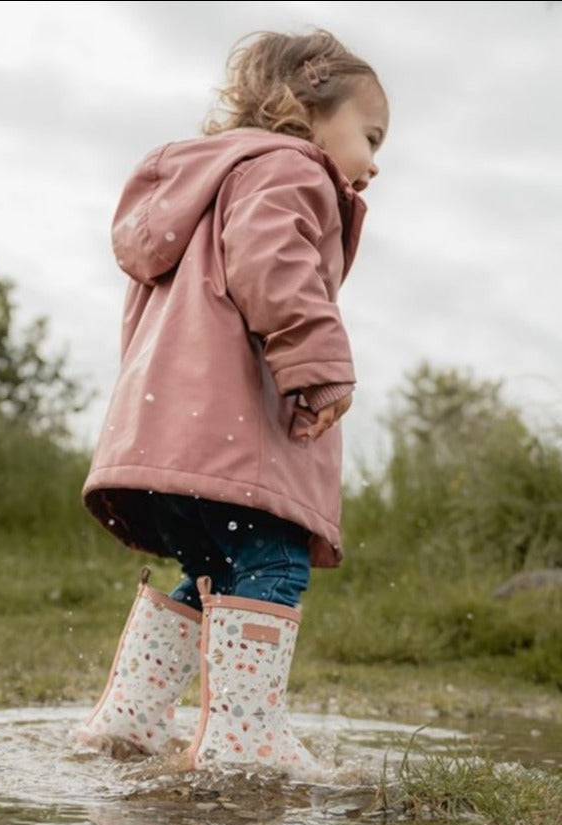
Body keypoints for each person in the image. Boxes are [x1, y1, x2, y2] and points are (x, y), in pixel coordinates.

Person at [76, 28, 388, 777]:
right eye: (369, 135)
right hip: (235, 441)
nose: (373, 162)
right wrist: (318, 364)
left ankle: (128, 721)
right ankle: (243, 745)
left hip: (168, 442)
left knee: (215, 568)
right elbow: (272, 261)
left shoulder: (202, 191)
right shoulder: (288, 170)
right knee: (274, 562)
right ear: (308, 106)